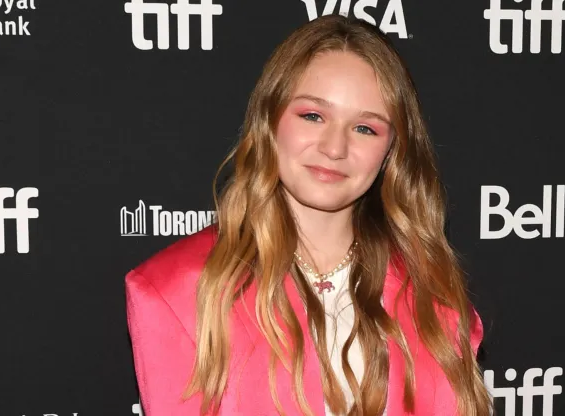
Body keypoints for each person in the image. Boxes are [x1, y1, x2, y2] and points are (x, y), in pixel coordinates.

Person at [125, 14, 490, 416]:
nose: (335, 147)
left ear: (392, 150)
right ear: (270, 119)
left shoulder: (429, 290)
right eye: (313, 116)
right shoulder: (176, 290)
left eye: (365, 128)